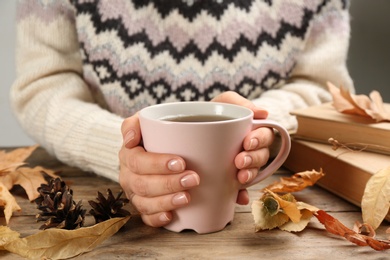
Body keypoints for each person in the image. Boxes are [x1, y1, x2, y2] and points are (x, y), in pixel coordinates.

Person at [11, 0, 354, 228]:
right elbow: (44, 85)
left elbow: (320, 84)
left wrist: (259, 129)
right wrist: (121, 151)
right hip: (111, 196)